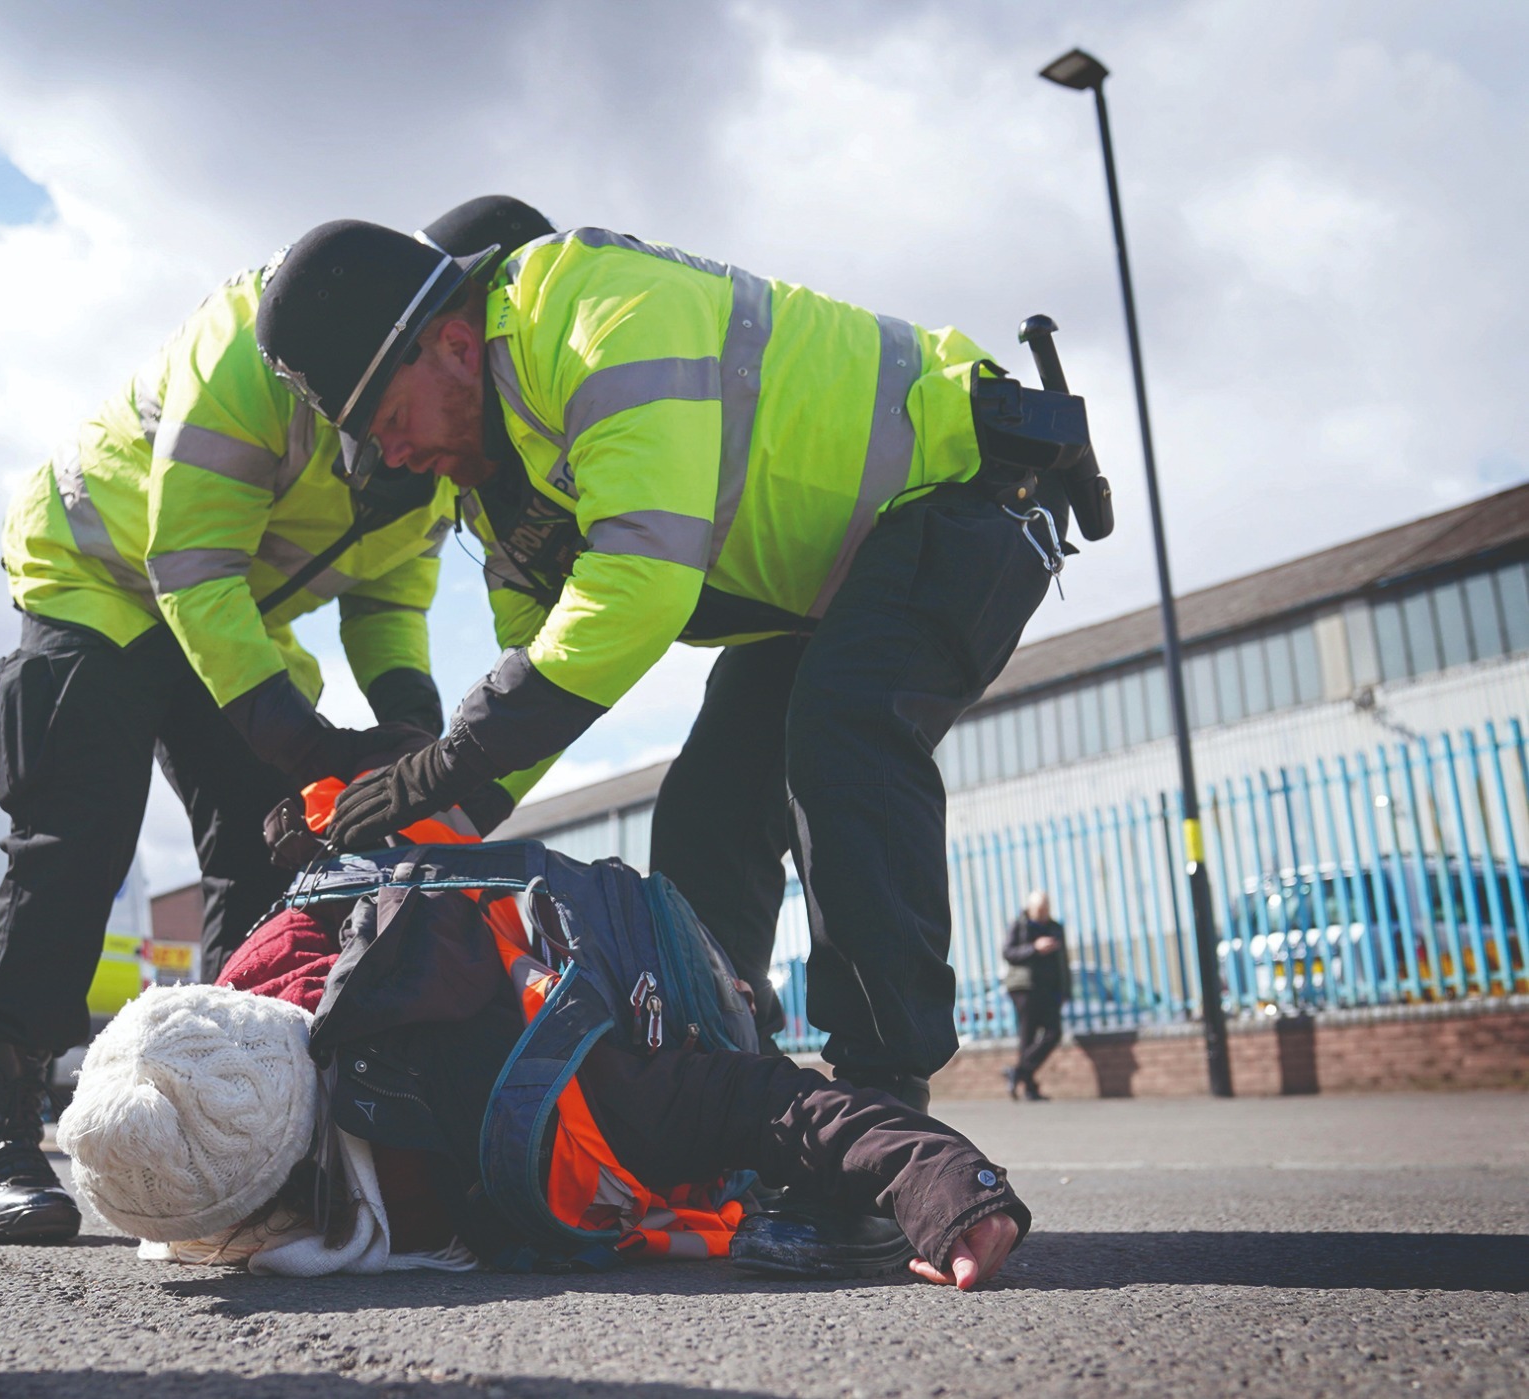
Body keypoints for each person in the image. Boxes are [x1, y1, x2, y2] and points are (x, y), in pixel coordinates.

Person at [254, 220, 1099, 1114]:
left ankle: (882, 1101)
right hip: (835, 579)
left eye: (387, 421)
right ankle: (726, 1088)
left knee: (844, 733)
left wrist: (442, 762)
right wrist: (397, 823)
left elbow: (641, 580)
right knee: (710, 805)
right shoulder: (503, 493)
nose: (391, 457)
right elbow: (542, 678)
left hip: (970, 486)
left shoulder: (592, 310)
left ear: (456, 345)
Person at [0, 197, 558, 1245]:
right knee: (77, 831)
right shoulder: (257, 347)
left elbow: (390, 597)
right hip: (106, 575)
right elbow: (190, 559)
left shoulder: (434, 422)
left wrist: (409, 726)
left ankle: (237, 1118)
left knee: (266, 847)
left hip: (232, 616)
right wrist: (303, 738)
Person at [58, 905, 1029, 1290]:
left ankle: (747, 988)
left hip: (650, 990)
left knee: (732, 1032)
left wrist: (947, 1184)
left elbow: (770, 1101)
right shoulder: (251, 988)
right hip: (552, 961)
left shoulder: (553, 1087)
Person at [1001, 889, 1069, 1101]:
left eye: (1046, 909)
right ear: (1030, 908)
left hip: (1048, 989)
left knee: (1053, 1032)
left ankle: (1018, 1072)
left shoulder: (1055, 928)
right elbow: (1008, 953)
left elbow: (1063, 962)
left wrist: (1065, 989)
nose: (1042, 913)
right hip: (1024, 988)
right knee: (1027, 1036)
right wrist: (1034, 948)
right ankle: (1029, 1088)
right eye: (1039, 909)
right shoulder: (1020, 924)